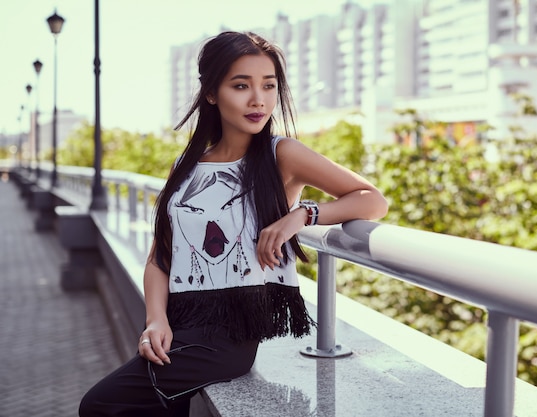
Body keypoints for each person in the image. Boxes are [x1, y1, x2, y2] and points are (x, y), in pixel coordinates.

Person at [79, 30, 388, 417]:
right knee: (160, 407)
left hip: (229, 336)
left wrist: (300, 216)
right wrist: (155, 320)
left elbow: (372, 200)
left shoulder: (282, 154)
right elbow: (160, 257)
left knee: (100, 404)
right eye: (241, 85)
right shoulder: (185, 166)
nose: (258, 99)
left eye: (269, 86)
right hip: (179, 320)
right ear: (211, 93)